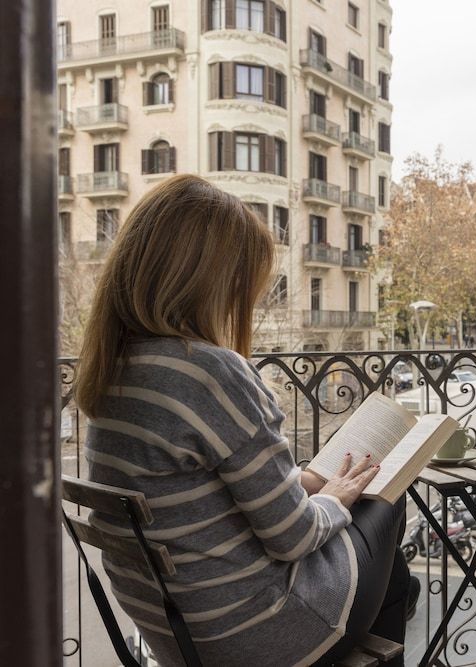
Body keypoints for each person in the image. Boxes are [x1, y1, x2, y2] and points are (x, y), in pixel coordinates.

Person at [74, 175, 413, 667]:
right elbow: (293, 538)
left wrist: (306, 480)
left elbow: (204, 504)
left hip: (174, 635)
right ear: (210, 282)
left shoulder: (112, 369)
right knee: (384, 501)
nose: (247, 302)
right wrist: (335, 499)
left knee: (396, 578)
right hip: (259, 637)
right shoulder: (208, 371)